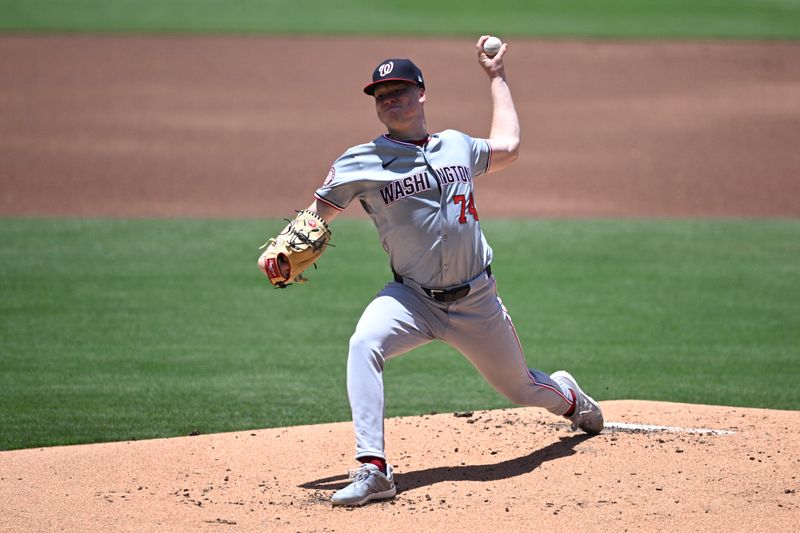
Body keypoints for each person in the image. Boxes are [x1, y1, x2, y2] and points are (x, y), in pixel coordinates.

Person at [259, 36, 603, 507]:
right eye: (381, 96)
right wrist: (281, 250)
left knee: (520, 386)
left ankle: (569, 399)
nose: (390, 99)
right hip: (412, 299)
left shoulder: (457, 146)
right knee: (364, 344)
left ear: (422, 93)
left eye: (399, 90)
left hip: (476, 301)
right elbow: (316, 215)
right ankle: (373, 469)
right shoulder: (360, 161)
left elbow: (510, 147)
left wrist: (496, 77)